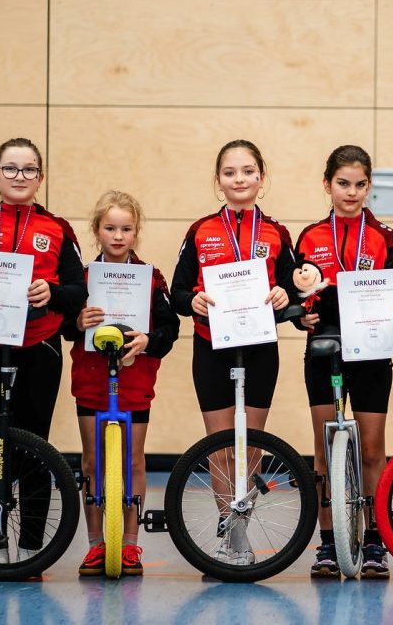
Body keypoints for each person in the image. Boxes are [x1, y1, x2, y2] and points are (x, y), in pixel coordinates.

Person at [0, 137, 86, 560]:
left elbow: (78, 290)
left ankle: (31, 547)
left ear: (40, 177)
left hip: (39, 345)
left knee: (33, 443)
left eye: (28, 169)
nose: (18, 176)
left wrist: (53, 292)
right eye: (10, 169)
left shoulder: (57, 228)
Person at [170, 139, 297, 564]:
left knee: (252, 445)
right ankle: (229, 528)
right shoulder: (200, 230)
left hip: (260, 349)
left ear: (261, 178)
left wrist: (283, 295)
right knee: (220, 445)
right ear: (218, 181)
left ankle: (243, 520)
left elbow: (296, 290)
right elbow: (178, 290)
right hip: (212, 347)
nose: (239, 179)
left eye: (247, 171)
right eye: (230, 172)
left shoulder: (277, 231)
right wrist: (193, 300)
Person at [294, 145, 393, 579]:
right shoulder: (307, 237)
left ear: (368, 187)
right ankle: (327, 544)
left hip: (373, 350)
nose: (352, 192)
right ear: (327, 184)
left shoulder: (384, 236)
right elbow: (297, 292)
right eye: (343, 183)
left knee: (373, 450)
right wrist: (301, 314)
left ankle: (376, 540)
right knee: (324, 453)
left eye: (360, 184)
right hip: (323, 349)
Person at [64, 190, 179, 577]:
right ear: (97, 230)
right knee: (93, 461)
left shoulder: (151, 278)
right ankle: (96, 545)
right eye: (110, 228)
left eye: (126, 229)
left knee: (132, 460)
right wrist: (77, 323)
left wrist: (149, 340)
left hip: (134, 379)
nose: (118, 236)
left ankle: (130, 545)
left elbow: (170, 327)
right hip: (92, 379)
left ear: (136, 232)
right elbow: (63, 326)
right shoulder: (80, 280)